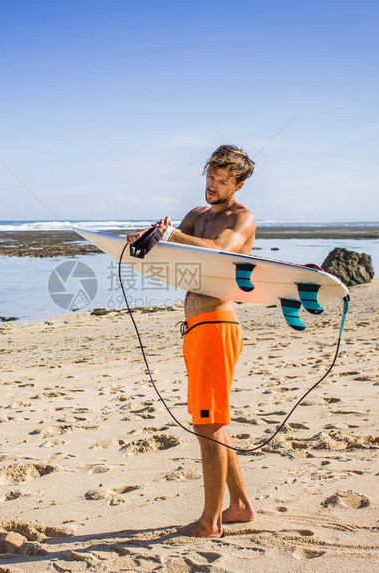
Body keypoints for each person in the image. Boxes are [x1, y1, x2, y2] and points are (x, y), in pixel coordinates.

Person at [127, 144, 257, 538]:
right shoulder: (197, 215)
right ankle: (239, 506)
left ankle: (210, 522)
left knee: (208, 424)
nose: (212, 186)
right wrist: (147, 240)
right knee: (211, 422)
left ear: (238, 183)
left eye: (221, 181)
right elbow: (171, 253)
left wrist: (174, 234)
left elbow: (221, 251)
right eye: (209, 177)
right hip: (195, 327)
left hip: (218, 324)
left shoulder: (243, 218)